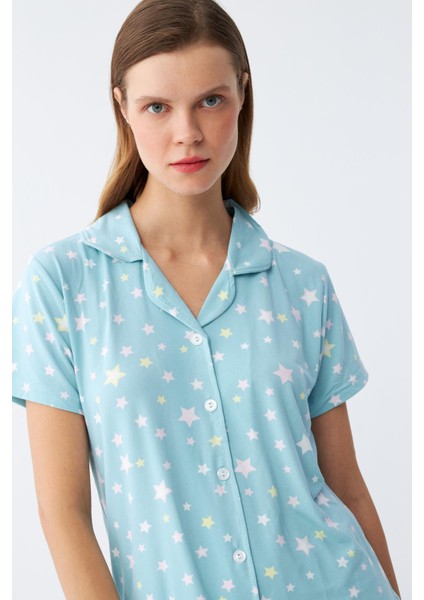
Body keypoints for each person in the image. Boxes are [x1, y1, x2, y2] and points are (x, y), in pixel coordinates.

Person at [12, 0, 401, 598]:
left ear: (243, 95)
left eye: (211, 101)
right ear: (122, 107)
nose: (187, 132)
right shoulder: (63, 283)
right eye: (158, 107)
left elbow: (347, 487)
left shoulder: (303, 284)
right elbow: (63, 515)